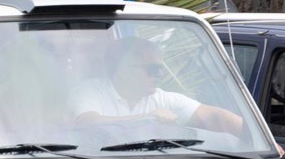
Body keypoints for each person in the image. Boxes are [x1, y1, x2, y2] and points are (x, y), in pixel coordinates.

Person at [74, 41, 246, 135]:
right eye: (153, 69)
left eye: (161, 68)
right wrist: (147, 118)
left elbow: (213, 117)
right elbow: (88, 122)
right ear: (124, 71)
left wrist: (257, 138)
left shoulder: (161, 98)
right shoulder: (92, 90)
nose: (160, 74)